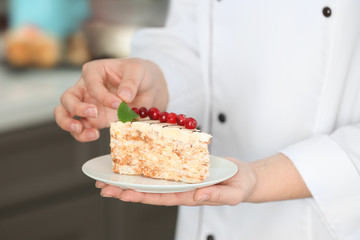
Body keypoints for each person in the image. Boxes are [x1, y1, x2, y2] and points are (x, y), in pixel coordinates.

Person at [54, 1, 360, 239]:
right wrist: (153, 82)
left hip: (326, 223)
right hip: (209, 218)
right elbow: (191, 40)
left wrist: (258, 177)